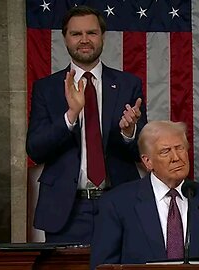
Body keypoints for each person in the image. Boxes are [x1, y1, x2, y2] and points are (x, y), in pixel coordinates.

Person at [26, 6, 147, 244]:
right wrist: (70, 115)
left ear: (102, 36)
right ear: (65, 38)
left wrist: (129, 132)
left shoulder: (127, 84)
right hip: (66, 210)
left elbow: (142, 152)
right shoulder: (47, 88)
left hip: (118, 203)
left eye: (91, 33)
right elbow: (35, 150)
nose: (84, 40)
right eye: (76, 34)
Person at [90, 121, 199, 269]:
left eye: (180, 148)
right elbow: (103, 266)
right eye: (165, 151)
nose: (176, 157)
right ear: (148, 161)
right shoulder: (117, 204)